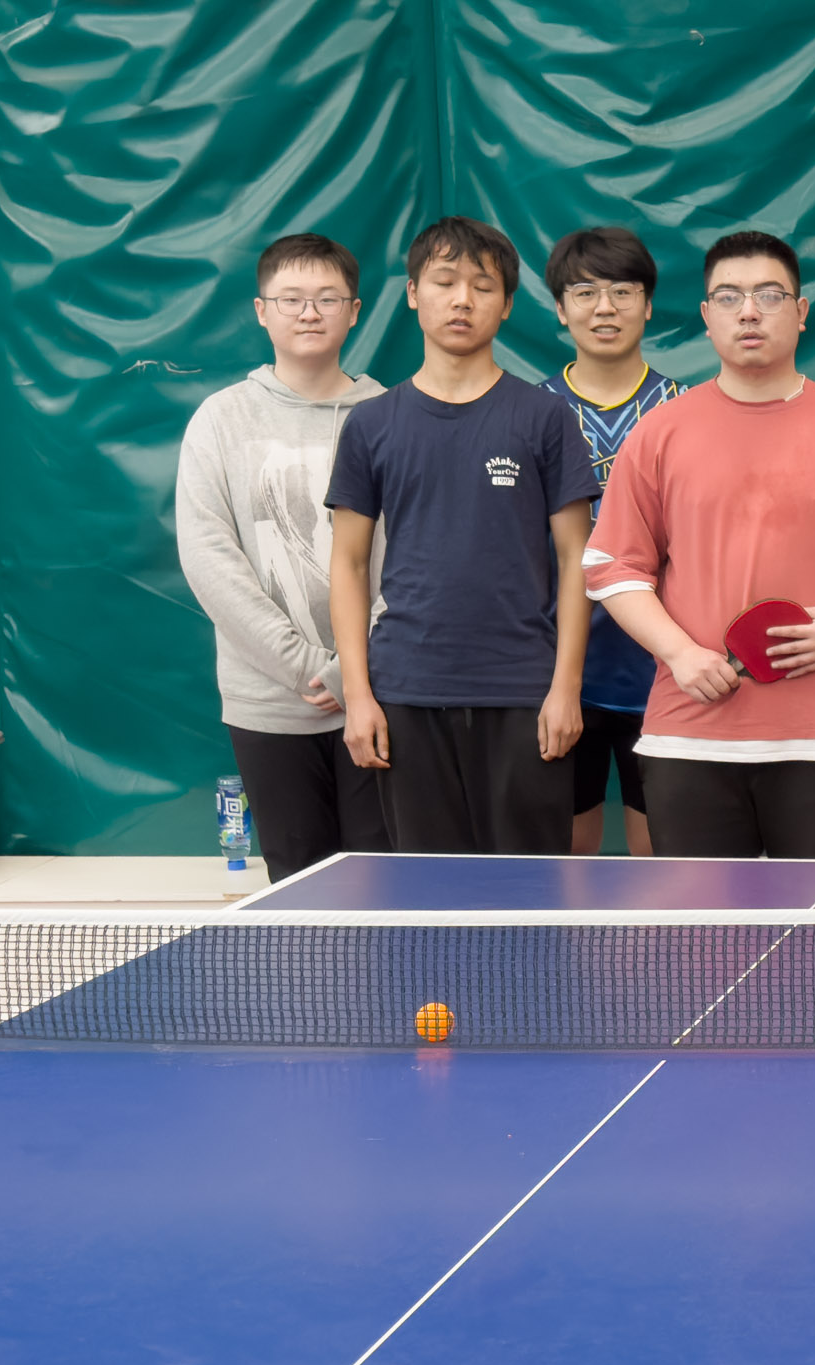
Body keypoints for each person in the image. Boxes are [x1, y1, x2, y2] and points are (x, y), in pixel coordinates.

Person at [580, 231, 815, 858]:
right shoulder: (660, 432)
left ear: (802, 310)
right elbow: (612, 567)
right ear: (707, 317)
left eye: (769, 294)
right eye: (729, 297)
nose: (750, 311)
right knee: (702, 949)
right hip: (688, 738)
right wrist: (680, 655)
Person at [326, 217, 598, 854]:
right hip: (406, 696)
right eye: (444, 281)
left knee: (531, 901)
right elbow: (348, 565)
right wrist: (359, 696)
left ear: (506, 306)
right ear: (414, 293)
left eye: (482, 286)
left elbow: (577, 559)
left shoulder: (545, 418)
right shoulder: (371, 425)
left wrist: (565, 690)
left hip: (525, 695)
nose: (462, 299)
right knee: (429, 905)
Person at [175, 233, 391, 880]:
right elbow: (208, 555)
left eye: (327, 298)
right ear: (261, 310)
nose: (309, 312)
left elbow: (414, 559)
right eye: (291, 298)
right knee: (297, 889)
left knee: (382, 882)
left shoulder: (388, 417)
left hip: (376, 698)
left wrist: (355, 671)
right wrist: (307, 669)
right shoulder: (220, 419)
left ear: (354, 311)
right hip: (266, 702)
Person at [540, 226, 686, 857]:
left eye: (623, 292)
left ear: (649, 304)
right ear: (560, 307)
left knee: (659, 862)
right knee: (568, 855)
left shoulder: (686, 409)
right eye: (586, 292)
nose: (605, 308)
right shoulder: (531, 411)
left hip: (664, 672)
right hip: (555, 675)